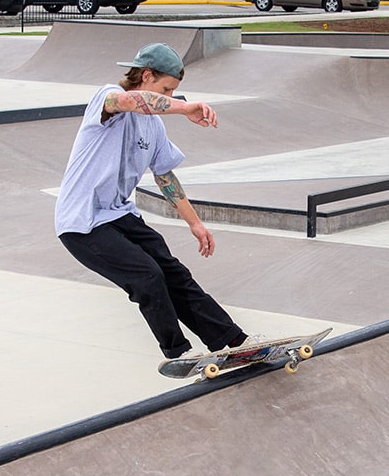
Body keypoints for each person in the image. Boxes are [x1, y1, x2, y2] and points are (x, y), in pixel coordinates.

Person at [55, 42, 248, 365]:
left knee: (174, 274)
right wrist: (184, 108)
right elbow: (132, 101)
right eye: (167, 89)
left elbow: (165, 178)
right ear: (146, 76)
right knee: (147, 277)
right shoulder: (107, 99)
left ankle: (233, 341)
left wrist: (195, 223)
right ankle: (179, 354)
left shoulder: (154, 127)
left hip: (119, 216)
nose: (171, 97)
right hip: (82, 223)